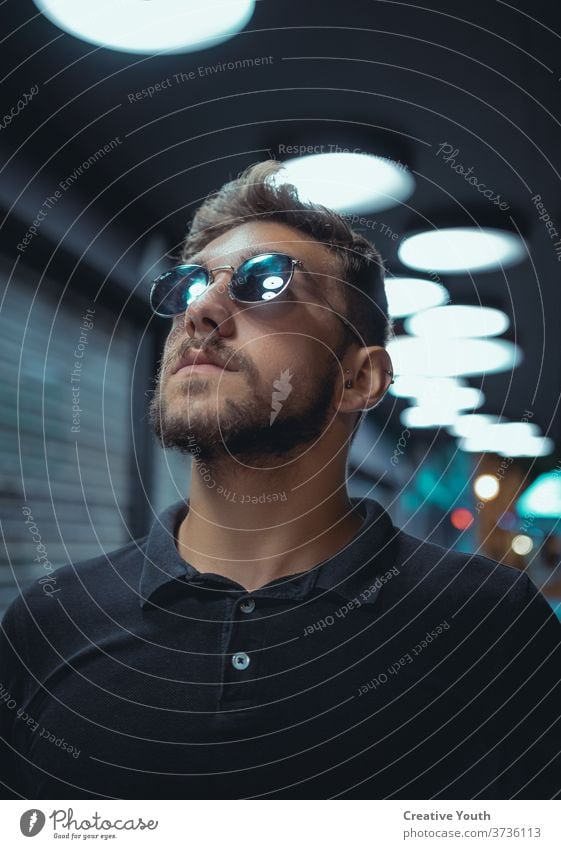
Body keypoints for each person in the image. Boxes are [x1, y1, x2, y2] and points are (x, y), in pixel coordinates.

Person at [1, 160, 560, 800]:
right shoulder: (48, 625)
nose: (201, 311)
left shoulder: (489, 624)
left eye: (264, 282)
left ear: (360, 379)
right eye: (187, 288)